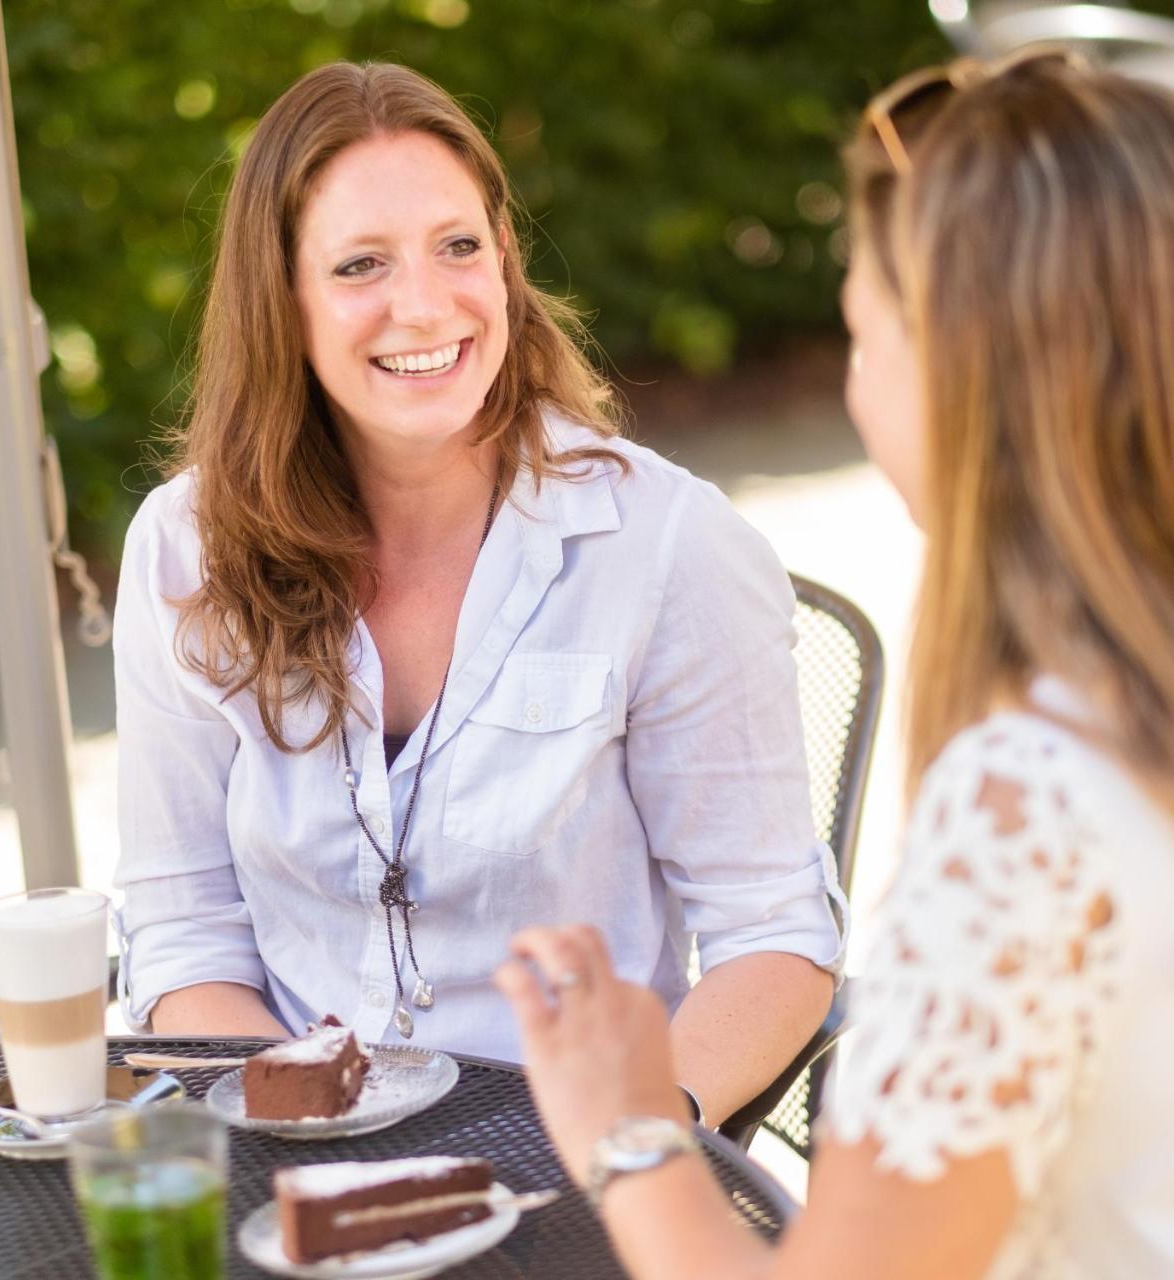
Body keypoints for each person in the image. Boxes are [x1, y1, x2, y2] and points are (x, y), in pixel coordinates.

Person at [497, 50, 1174, 1280]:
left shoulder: (1030, 809)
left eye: (862, 334)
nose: (856, 387)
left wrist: (623, 1121)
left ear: (970, 374)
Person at [112, 60, 846, 1126]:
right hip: (289, 1167)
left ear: (504, 259)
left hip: (582, 1163)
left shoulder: (666, 545)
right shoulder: (186, 550)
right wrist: (302, 1142)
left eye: (458, 246)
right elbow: (185, 931)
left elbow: (772, 932)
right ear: (281, 297)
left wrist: (630, 1148)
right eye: (360, 263)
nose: (425, 304)